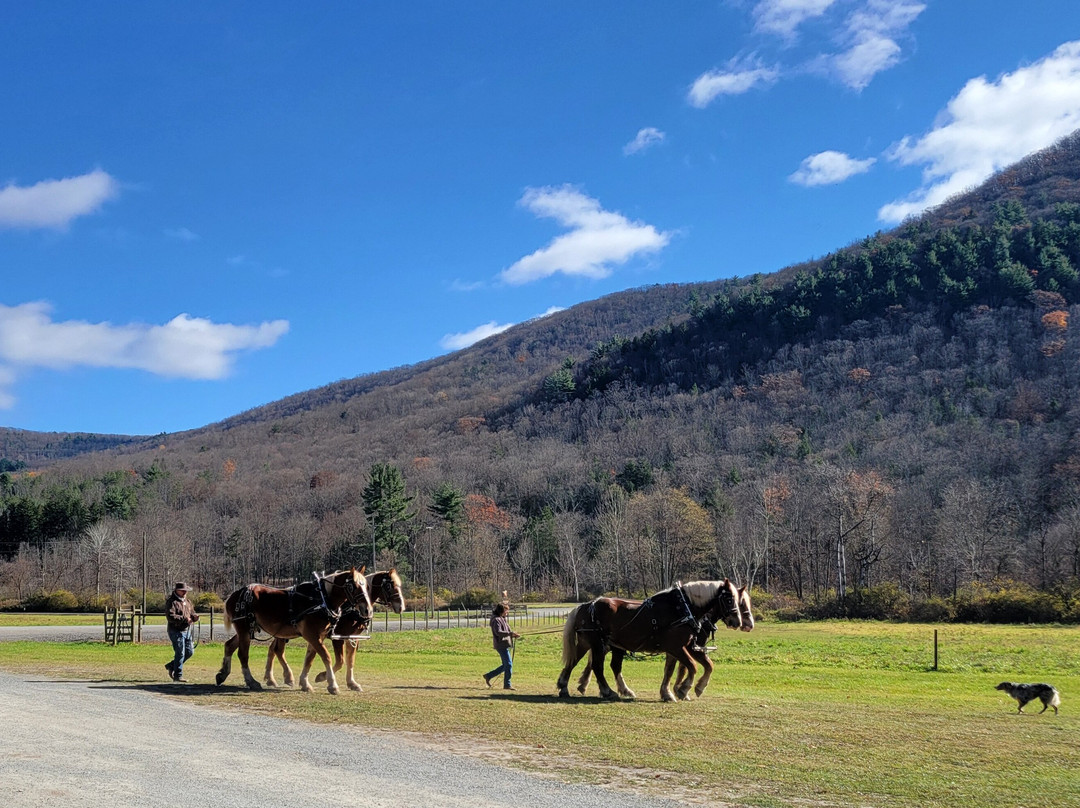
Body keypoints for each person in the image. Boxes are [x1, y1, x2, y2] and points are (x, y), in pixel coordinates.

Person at [165, 582, 199, 682]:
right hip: (175, 631)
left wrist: (194, 617)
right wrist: (185, 619)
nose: (184, 592)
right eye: (182, 590)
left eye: (185, 591)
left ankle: (172, 666)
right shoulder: (171, 602)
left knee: (190, 652)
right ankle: (178, 675)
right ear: (176, 590)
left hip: (187, 630)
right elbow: (170, 616)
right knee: (180, 653)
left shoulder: (188, 602)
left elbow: (192, 612)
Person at [483, 602, 520, 690]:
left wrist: (513, 635)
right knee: (509, 665)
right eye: (506, 611)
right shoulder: (496, 620)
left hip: (504, 644)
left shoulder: (502, 618)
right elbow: (498, 632)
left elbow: (507, 631)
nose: (507, 613)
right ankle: (507, 684)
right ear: (501, 611)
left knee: (506, 665)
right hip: (500, 645)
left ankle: (488, 676)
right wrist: (510, 634)